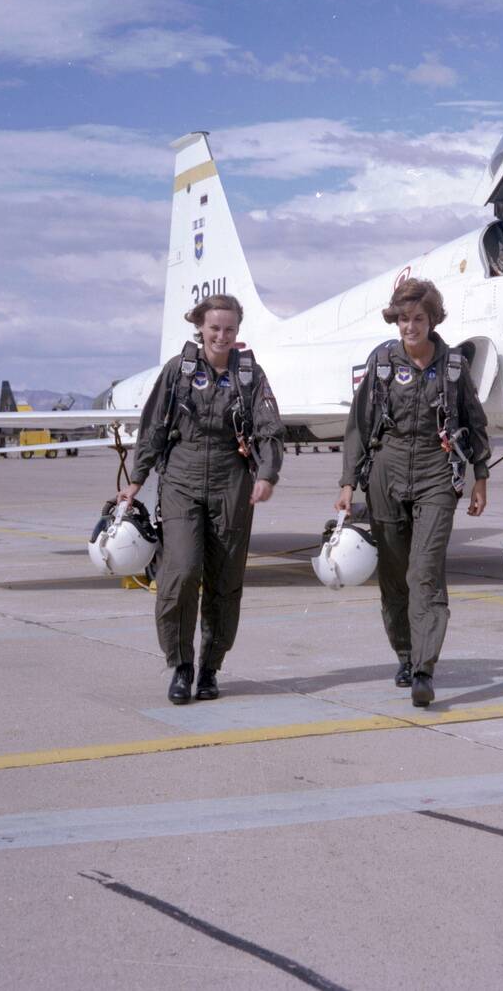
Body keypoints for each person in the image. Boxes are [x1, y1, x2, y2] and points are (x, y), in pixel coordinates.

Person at [117, 294, 283, 704]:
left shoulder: (250, 376)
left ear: (237, 331)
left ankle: (210, 667)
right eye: (214, 328)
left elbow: (269, 428)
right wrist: (137, 479)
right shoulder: (179, 371)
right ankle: (181, 665)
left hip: (232, 483)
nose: (221, 336)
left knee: (226, 582)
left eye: (229, 329)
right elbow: (154, 425)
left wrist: (267, 474)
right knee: (182, 572)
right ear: (201, 328)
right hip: (182, 480)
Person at [336, 278, 490, 707]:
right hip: (386, 471)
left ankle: (424, 667)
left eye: (418, 318)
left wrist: (480, 476)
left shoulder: (454, 366)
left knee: (425, 570)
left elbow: (475, 423)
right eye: (403, 319)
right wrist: (349, 483)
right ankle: (404, 654)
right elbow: (359, 425)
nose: (410, 327)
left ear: (432, 319)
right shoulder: (383, 363)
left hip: (437, 471)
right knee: (393, 574)